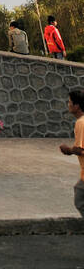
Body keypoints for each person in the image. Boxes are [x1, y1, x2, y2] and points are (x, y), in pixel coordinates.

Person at [59, 89, 84, 218]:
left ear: (77, 105)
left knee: (80, 198)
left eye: (69, 102)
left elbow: (80, 149)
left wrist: (67, 150)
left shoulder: (81, 123)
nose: (68, 104)